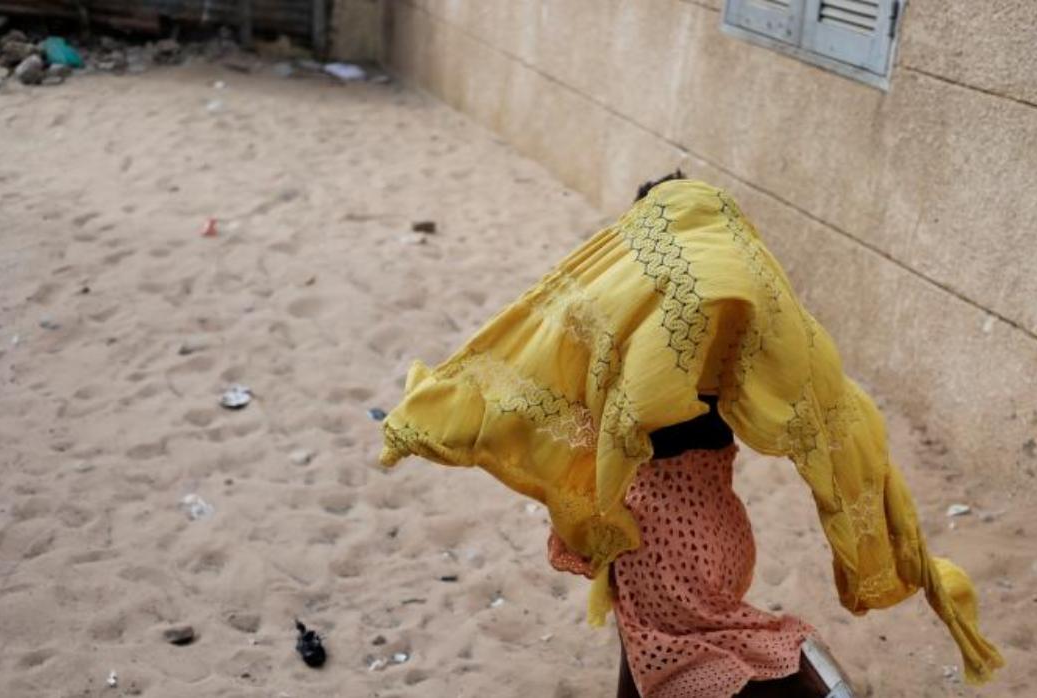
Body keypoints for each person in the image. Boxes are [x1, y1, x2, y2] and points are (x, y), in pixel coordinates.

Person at [376, 176, 1003, 697]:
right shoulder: (736, 346)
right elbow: (829, 412)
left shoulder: (645, 347)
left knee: (697, 661)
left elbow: (542, 383)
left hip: (659, 538)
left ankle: (819, 683)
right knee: (656, 644)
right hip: (722, 530)